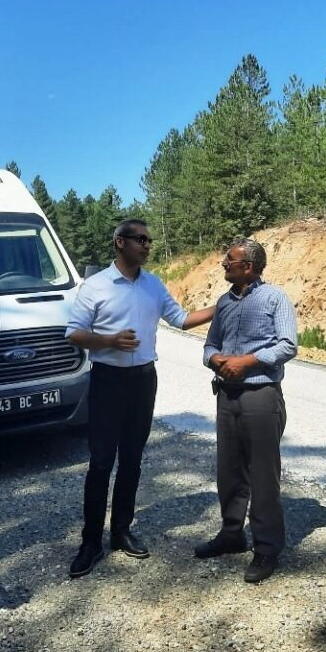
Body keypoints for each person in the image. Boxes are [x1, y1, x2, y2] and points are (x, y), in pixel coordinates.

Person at [65, 219, 214, 578]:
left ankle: (121, 531)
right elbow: (74, 334)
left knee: (132, 460)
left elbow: (180, 319)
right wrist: (110, 341)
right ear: (120, 242)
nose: (147, 246)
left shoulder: (153, 284)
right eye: (141, 240)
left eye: (149, 240)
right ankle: (90, 542)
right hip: (107, 380)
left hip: (143, 380)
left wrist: (222, 306)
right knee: (101, 462)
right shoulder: (95, 286)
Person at [198, 237, 298, 584]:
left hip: (261, 396)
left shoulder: (275, 298)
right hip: (226, 396)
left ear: (249, 267)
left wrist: (247, 362)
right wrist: (214, 359)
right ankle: (231, 534)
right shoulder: (224, 302)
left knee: (263, 476)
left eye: (230, 260)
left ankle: (267, 548)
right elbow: (210, 343)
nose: (224, 264)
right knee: (228, 470)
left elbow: (288, 345)